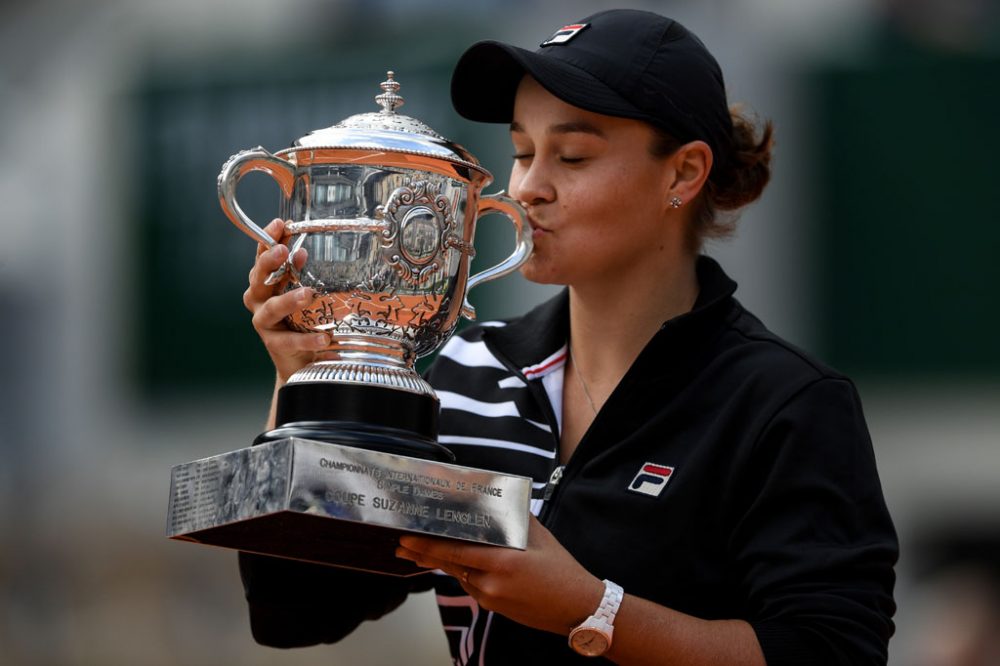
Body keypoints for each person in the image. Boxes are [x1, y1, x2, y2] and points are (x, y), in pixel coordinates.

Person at [238, 9, 898, 665]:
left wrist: (594, 610)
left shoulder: (784, 403)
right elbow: (297, 614)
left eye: (572, 155)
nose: (528, 186)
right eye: (522, 151)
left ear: (683, 173)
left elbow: (833, 652)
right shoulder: (467, 371)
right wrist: (305, 390)